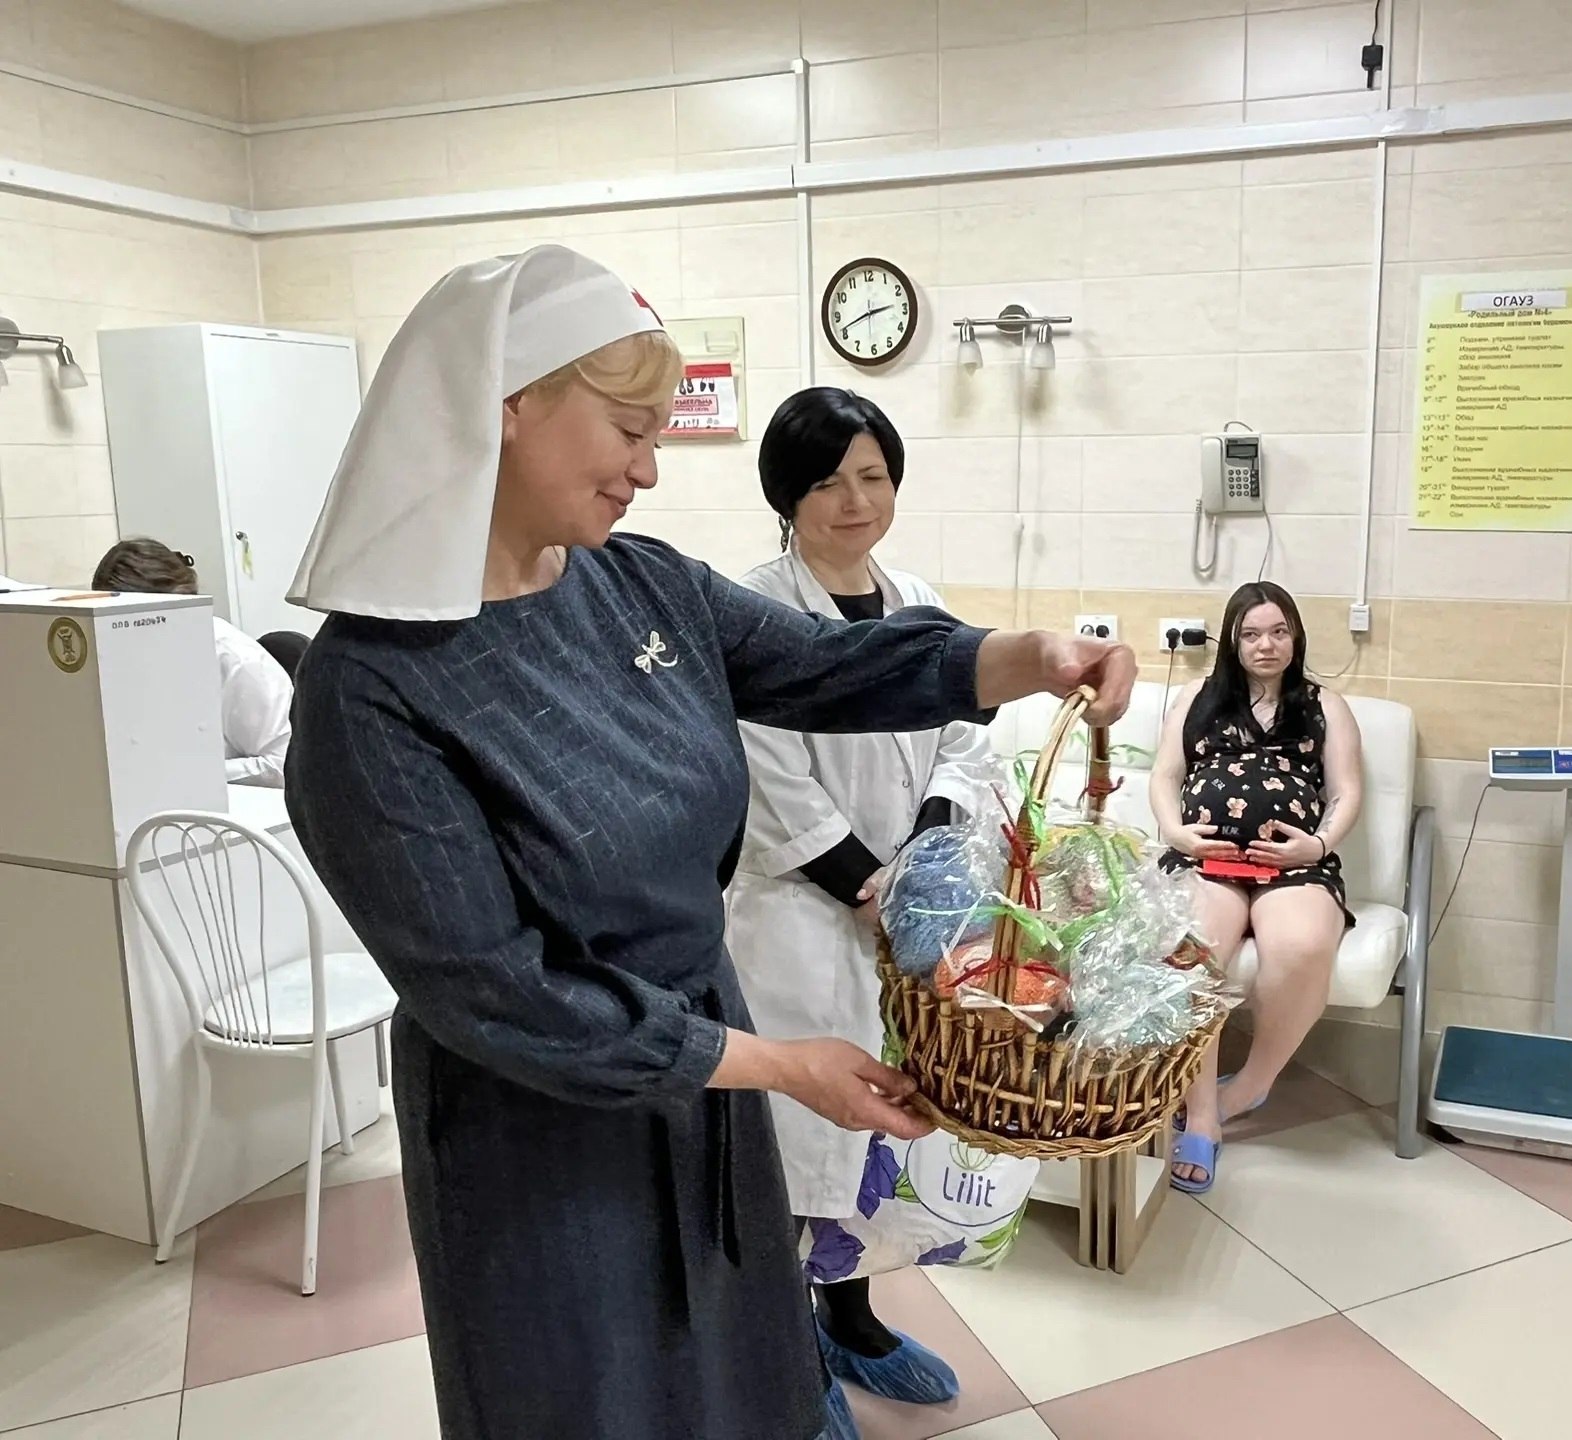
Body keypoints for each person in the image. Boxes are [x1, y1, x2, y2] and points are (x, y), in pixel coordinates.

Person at [280, 246, 1137, 1440]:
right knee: (597, 1398)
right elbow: (497, 996)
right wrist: (777, 1065)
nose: (648, 466)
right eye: (629, 430)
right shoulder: (372, 689)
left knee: (741, 1371)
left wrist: (1025, 658)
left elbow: (826, 662)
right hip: (539, 1127)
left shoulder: (636, 586)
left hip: (705, 1072)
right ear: (506, 406)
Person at [727, 388, 989, 1420]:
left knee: (880, 1141)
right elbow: (769, 781)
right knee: (799, 1152)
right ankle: (787, 1362)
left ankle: (853, 1323)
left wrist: (925, 853)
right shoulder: (754, 609)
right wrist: (866, 886)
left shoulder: (916, 598)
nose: (855, 501)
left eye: (873, 477)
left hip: (901, 918)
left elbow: (964, 738)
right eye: (829, 482)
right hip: (798, 923)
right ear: (786, 495)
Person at [1148, 581, 1362, 1194]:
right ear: (1233, 641)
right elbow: (1164, 776)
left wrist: (1316, 845)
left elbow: (1346, 790)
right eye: (1251, 634)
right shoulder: (1197, 697)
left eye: (1278, 631)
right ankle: (1203, 1118)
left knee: (1301, 946)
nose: (1266, 645)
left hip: (1294, 863)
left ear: (1295, 636)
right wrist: (1178, 834)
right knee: (1191, 949)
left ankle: (1248, 1087)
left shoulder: (1325, 705)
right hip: (1206, 859)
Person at [90, 538, 294, 788]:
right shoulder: (121, 654)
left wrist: (186, 774)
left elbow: (281, 766)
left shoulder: (237, 660)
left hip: (232, 801)